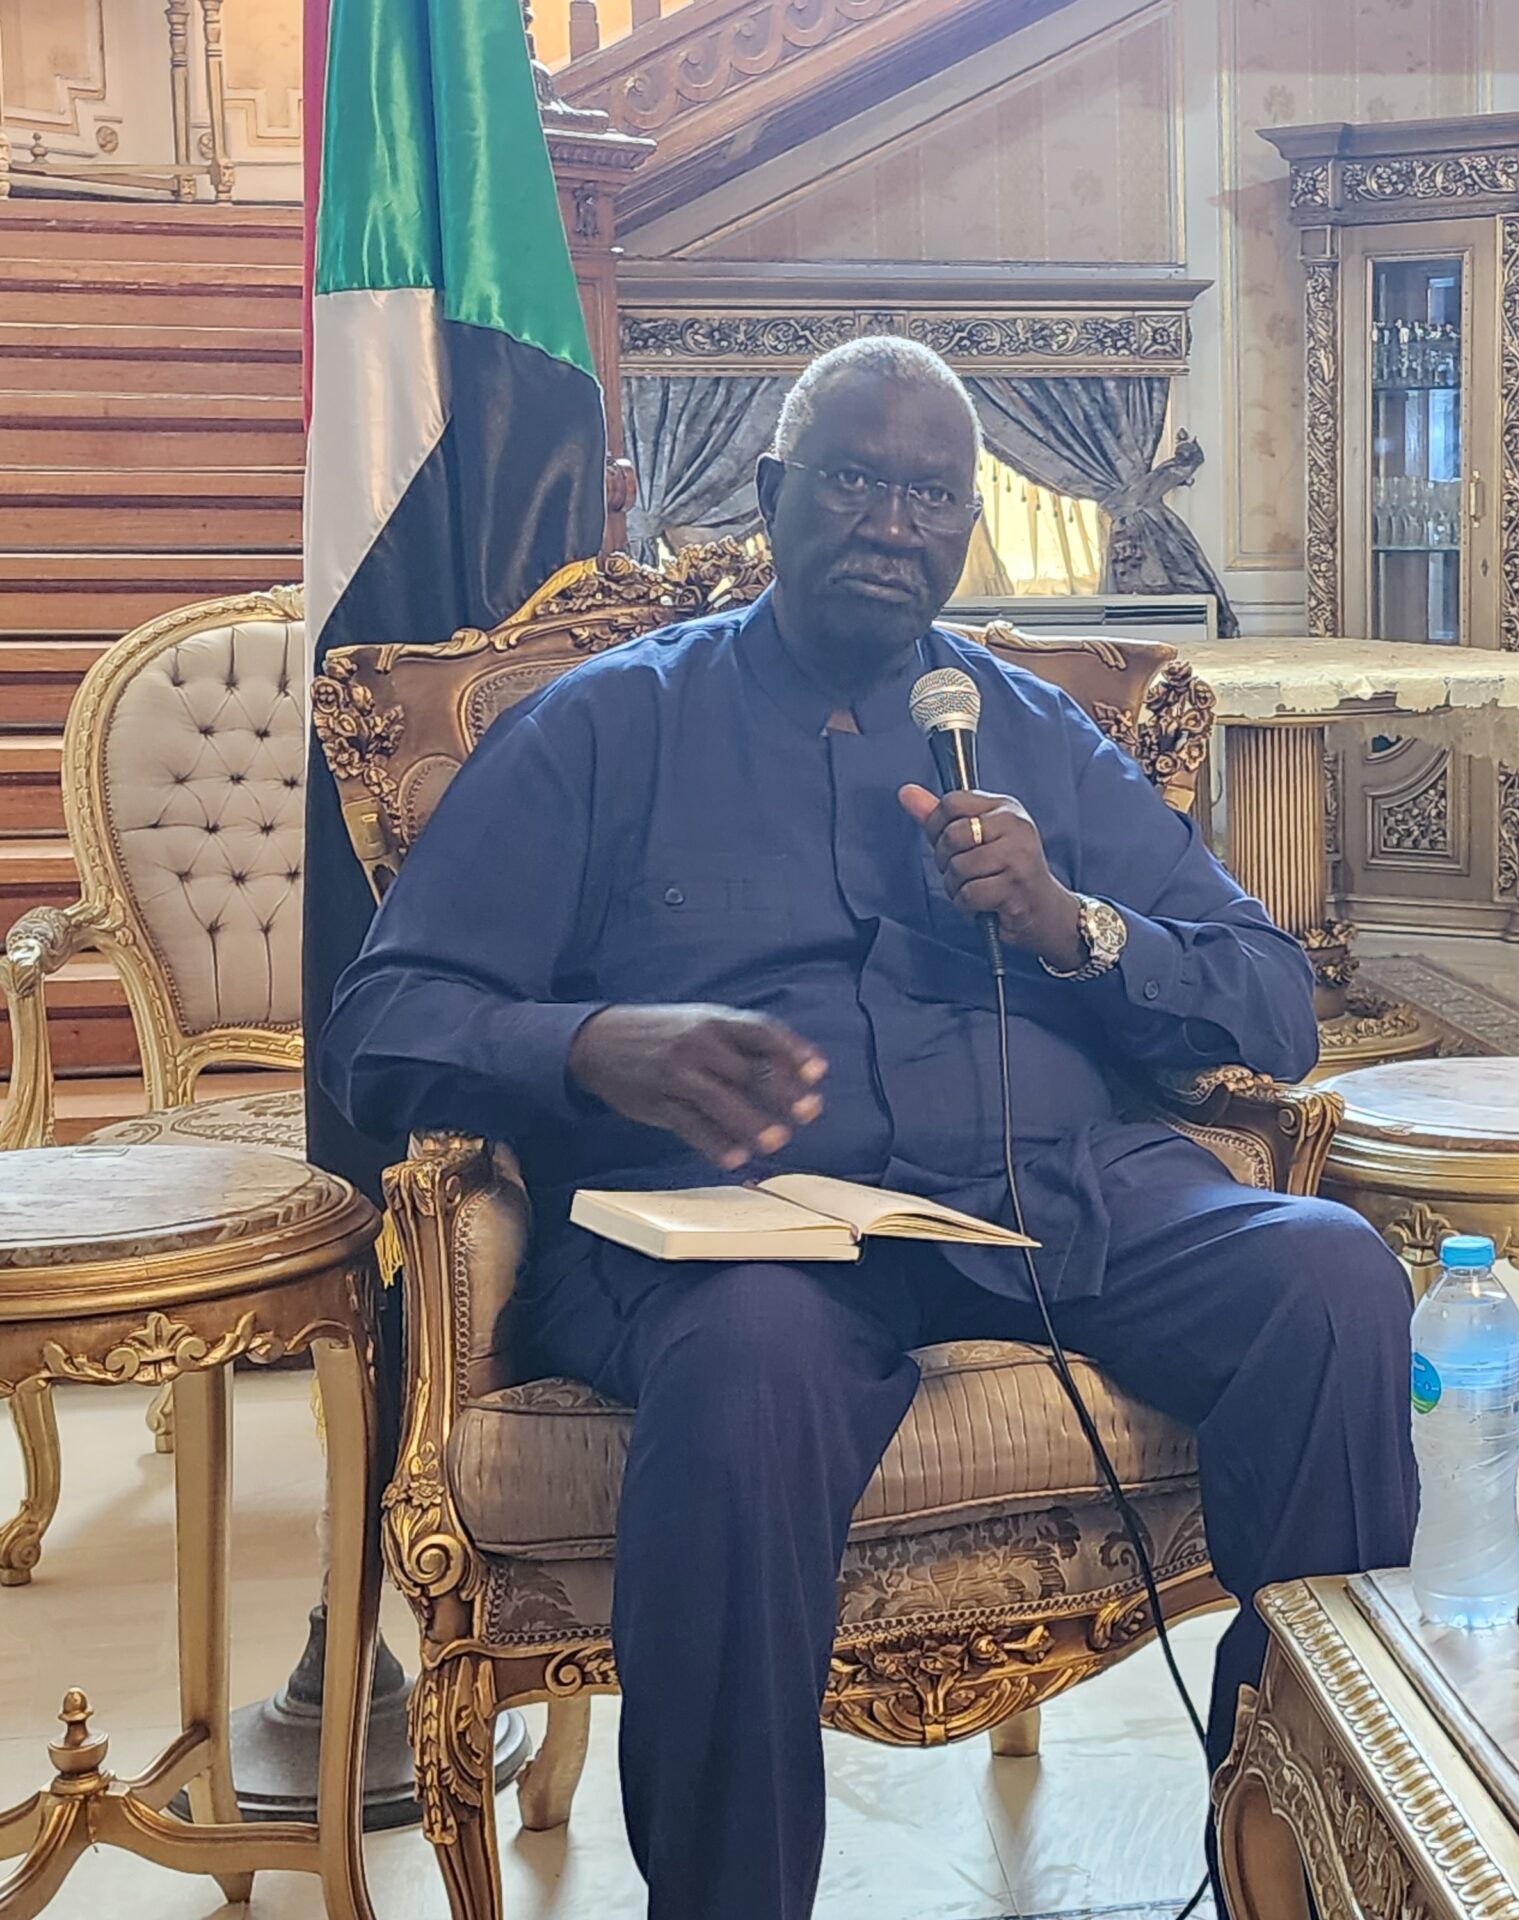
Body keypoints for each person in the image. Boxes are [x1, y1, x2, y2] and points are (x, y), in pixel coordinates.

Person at [320, 338, 1419, 1920]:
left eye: (931, 494)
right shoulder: (603, 727)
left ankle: (1297, 1863)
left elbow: (1268, 996)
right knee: (751, 1366)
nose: (894, 523)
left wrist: (1072, 926)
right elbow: (383, 1024)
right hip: (738, 1230)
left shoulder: (1030, 733)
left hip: (1045, 1191)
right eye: (853, 479)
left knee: (1328, 1277)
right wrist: (593, 1047)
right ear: (772, 494)